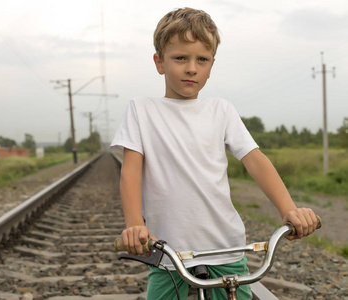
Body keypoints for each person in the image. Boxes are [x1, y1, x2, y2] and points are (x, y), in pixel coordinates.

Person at [110, 7, 318, 300]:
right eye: (180, 58)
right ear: (160, 62)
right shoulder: (142, 109)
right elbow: (130, 170)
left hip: (226, 247)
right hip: (168, 250)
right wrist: (135, 225)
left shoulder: (221, 110)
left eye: (202, 60)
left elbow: (255, 160)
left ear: (211, 65)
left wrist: (288, 209)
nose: (191, 68)